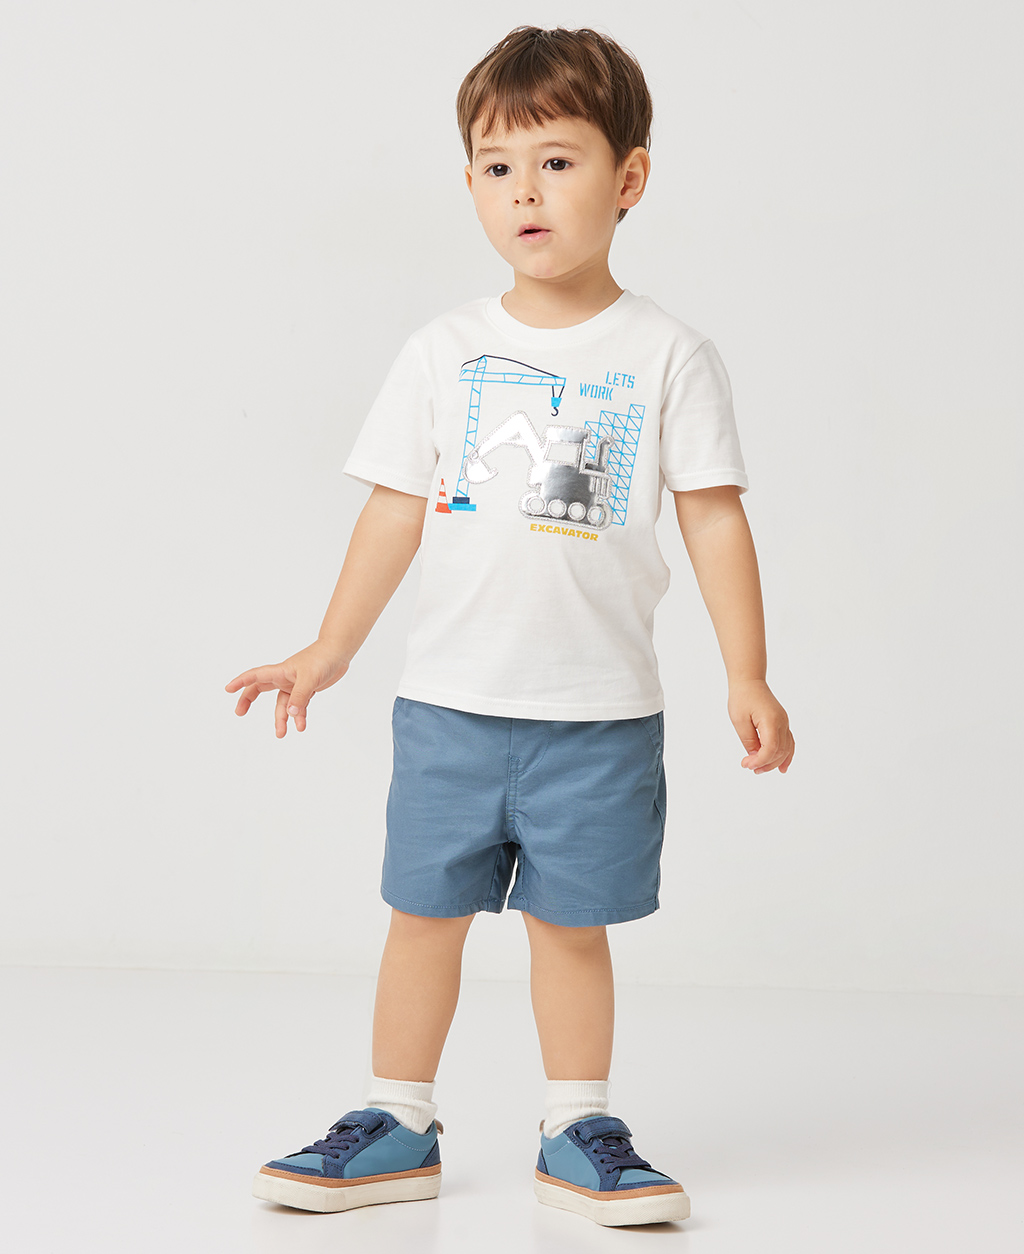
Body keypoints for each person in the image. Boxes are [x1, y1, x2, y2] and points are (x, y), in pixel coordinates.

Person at [225, 24, 794, 1229]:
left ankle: (577, 1125)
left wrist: (746, 672)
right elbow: (393, 512)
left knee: (571, 928)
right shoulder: (444, 352)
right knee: (421, 916)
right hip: (450, 708)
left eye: (556, 161)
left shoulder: (669, 356)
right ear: (471, 185)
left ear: (628, 178)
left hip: (597, 716)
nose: (523, 192)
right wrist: (329, 649)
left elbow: (714, 520)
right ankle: (396, 1120)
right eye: (497, 167)